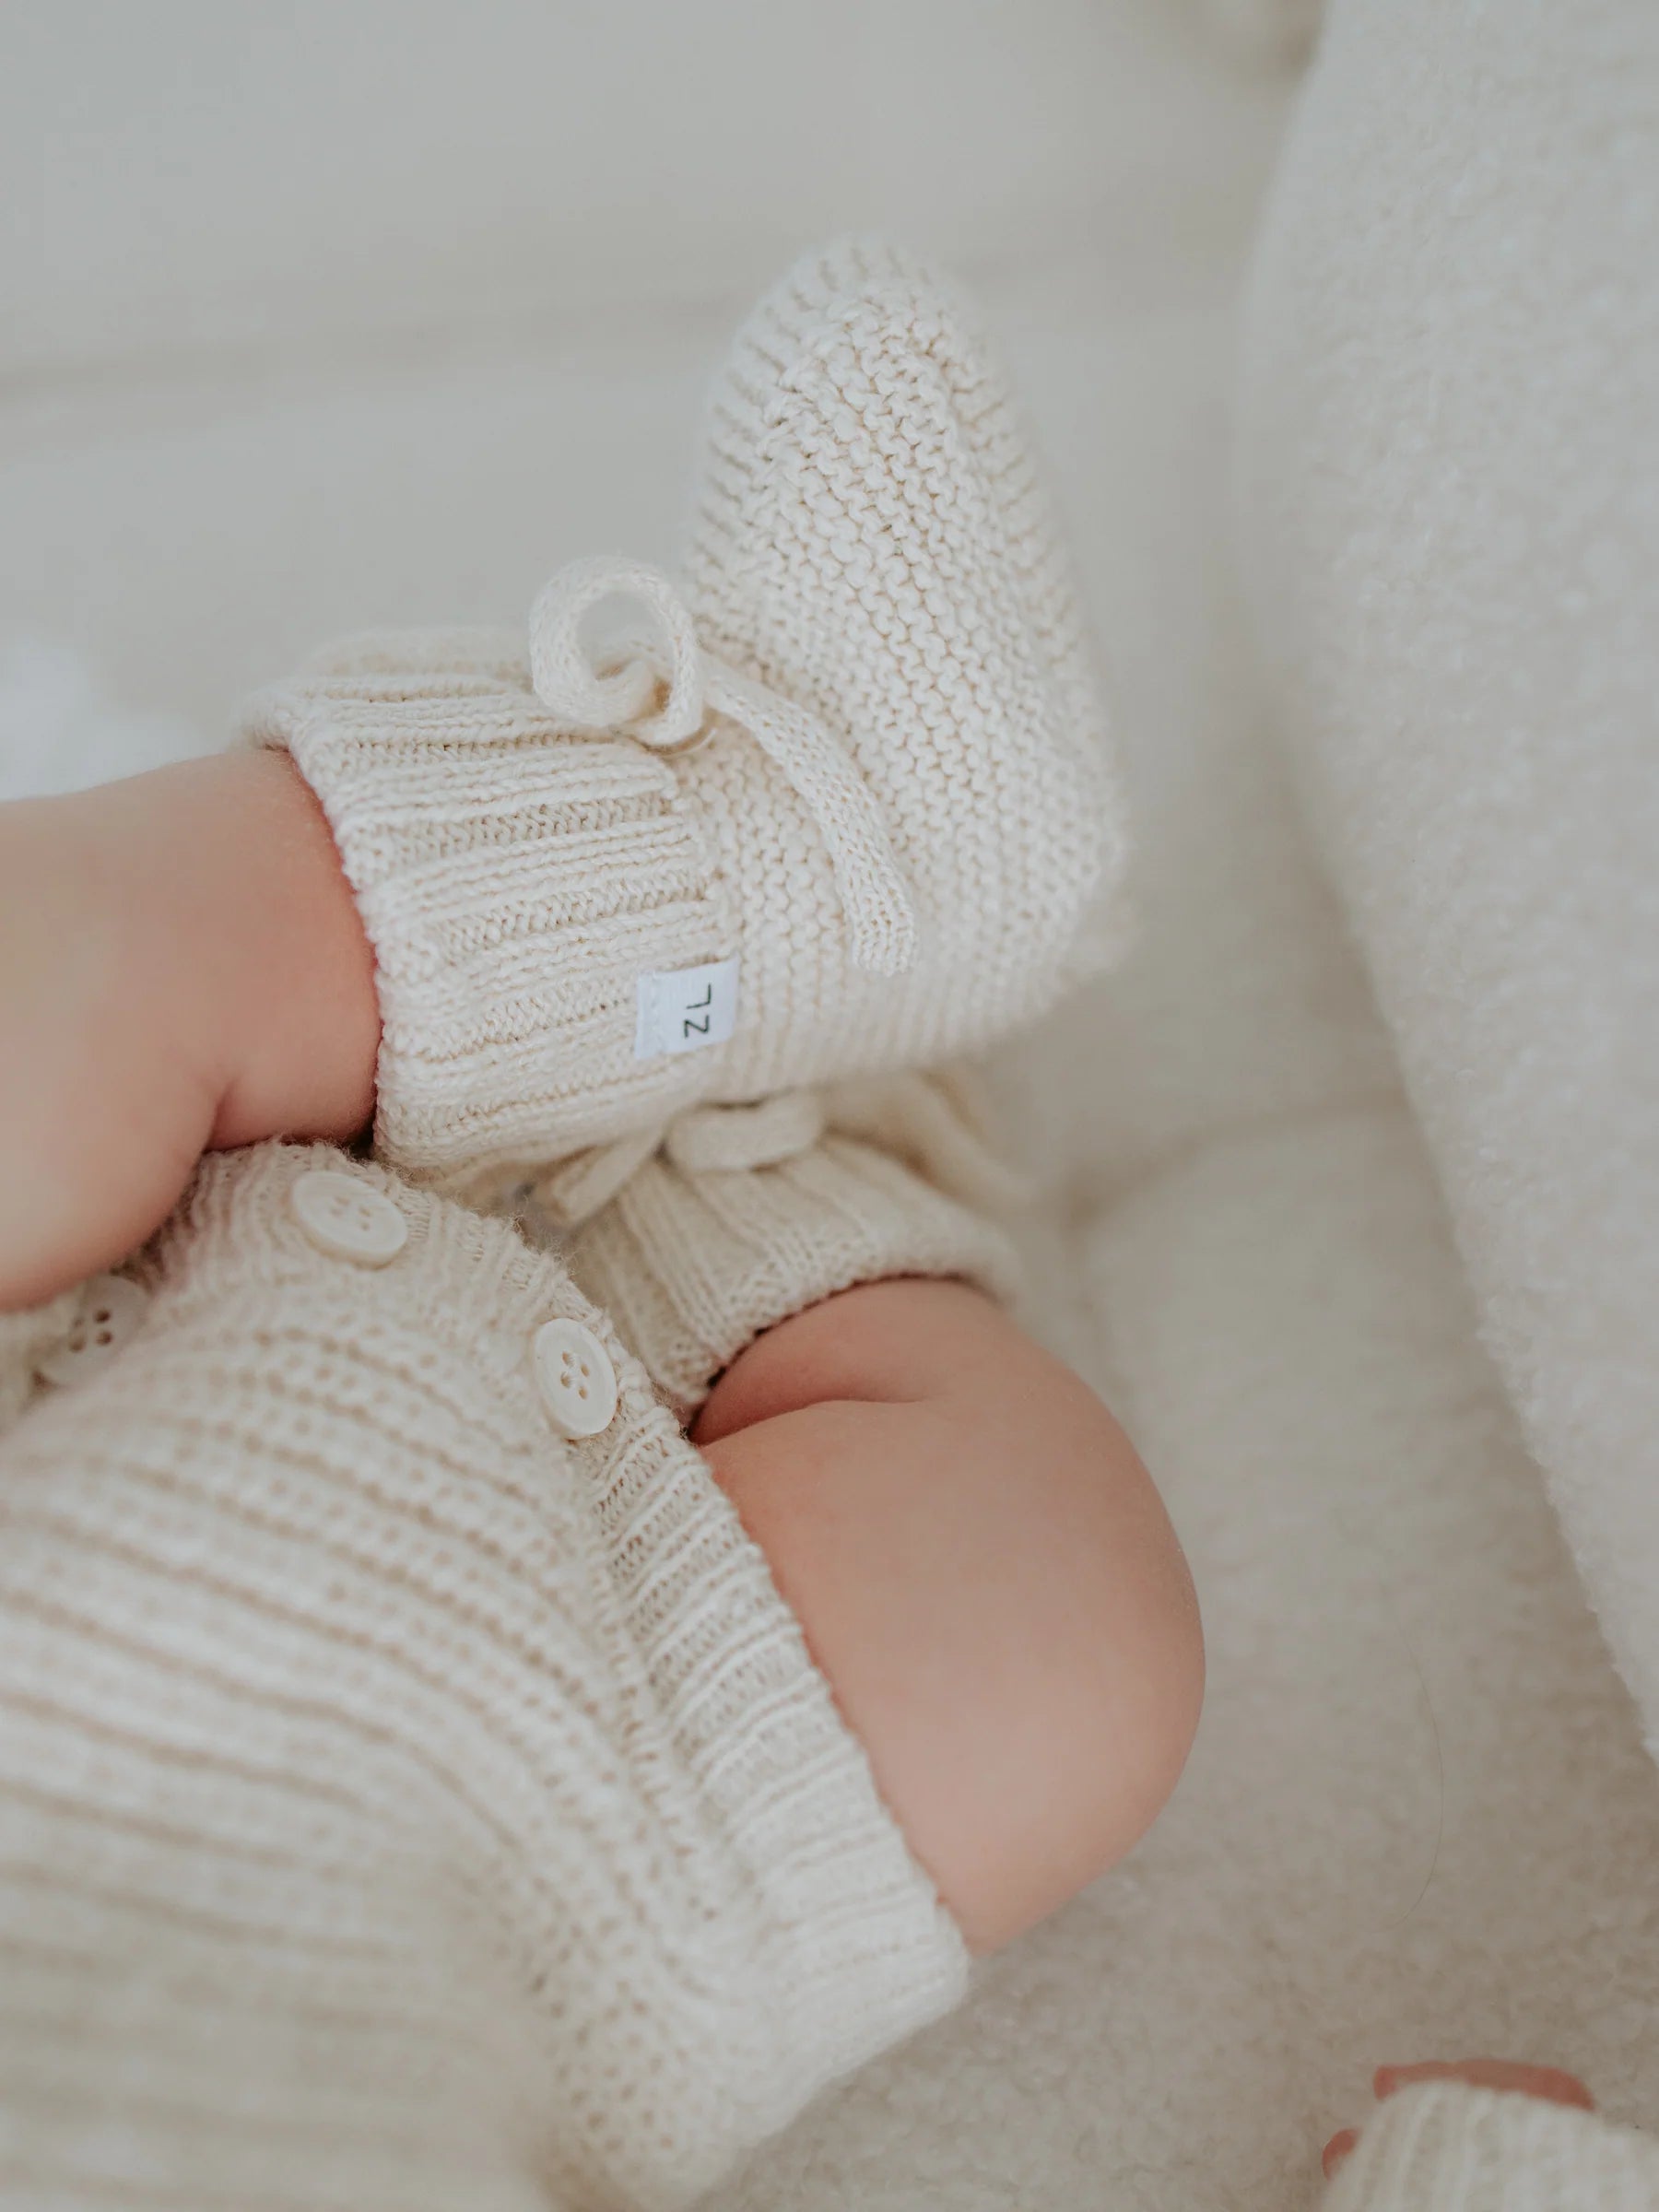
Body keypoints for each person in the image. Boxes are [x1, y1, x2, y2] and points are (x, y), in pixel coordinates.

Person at [1, 237, 1647, 2209]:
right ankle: (766, 1105)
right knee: (1049, 1642)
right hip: (520, 1893)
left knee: (59, 991)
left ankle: (753, 867)